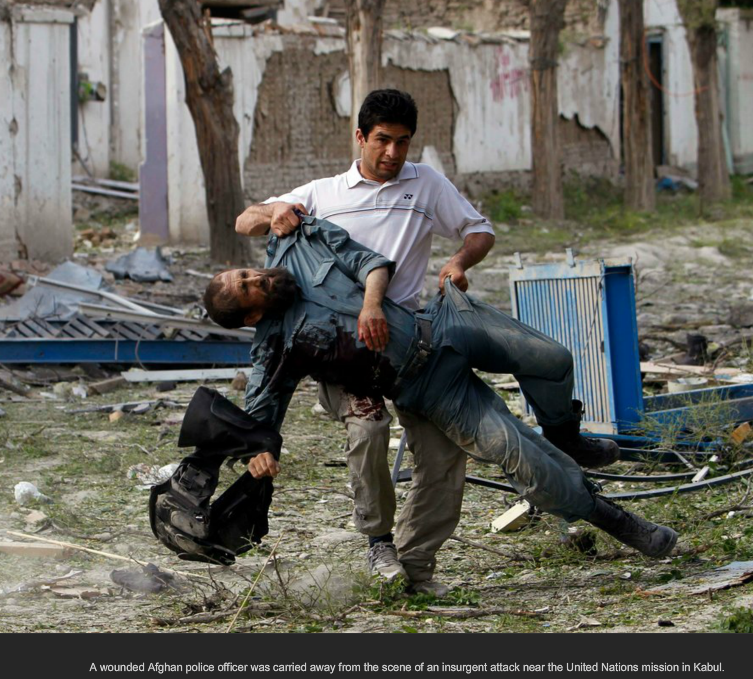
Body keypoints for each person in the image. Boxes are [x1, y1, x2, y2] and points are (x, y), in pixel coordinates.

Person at [233, 89, 617, 592]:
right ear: (360, 137)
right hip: (344, 356)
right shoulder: (324, 194)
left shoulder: (426, 183)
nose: (393, 153)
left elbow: (479, 230)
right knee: (368, 428)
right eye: (382, 141)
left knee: (444, 456)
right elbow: (245, 219)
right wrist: (277, 210)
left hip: (413, 345)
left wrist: (458, 261)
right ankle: (378, 541)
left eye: (403, 142)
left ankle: (414, 571)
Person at [203, 217, 677, 567]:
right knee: (518, 454)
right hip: (429, 388)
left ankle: (566, 435)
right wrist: (258, 451)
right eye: (248, 288)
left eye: (247, 273)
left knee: (552, 359)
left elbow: (369, 262)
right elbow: (259, 414)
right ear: (251, 316)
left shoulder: (296, 243)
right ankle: (617, 521)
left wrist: (371, 305)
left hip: (445, 324)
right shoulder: (276, 349)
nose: (256, 278)